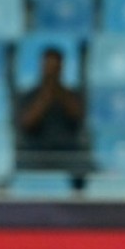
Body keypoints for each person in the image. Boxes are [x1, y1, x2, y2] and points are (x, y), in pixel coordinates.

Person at [16, 46, 89, 189]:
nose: (51, 70)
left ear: (62, 67)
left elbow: (78, 116)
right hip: (36, 155)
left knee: (86, 169)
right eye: (48, 65)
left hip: (67, 154)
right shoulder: (28, 96)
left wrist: (58, 90)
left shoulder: (71, 95)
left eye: (55, 66)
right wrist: (46, 96)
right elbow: (27, 123)